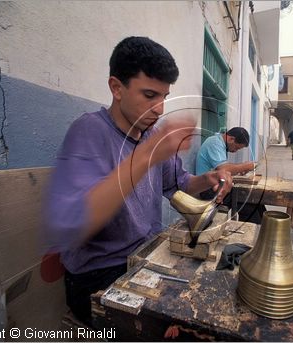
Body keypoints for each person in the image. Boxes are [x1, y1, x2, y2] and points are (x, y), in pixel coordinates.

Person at [42, 36, 232, 325]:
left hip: (145, 256)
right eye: (149, 95)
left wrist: (209, 178)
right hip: (100, 272)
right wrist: (146, 156)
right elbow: (74, 224)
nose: (159, 108)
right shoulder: (89, 131)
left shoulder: (153, 135)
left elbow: (178, 184)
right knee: (175, 326)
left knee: (216, 295)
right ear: (116, 88)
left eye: (164, 97)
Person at [195, 127, 264, 224]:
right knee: (247, 200)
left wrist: (239, 170)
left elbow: (222, 169)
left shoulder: (219, 143)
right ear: (230, 139)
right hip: (207, 190)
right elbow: (223, 169)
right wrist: (244, 166)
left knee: (256, 199)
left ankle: (264, 227)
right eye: (236, 147)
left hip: (214, 185)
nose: (235, 151)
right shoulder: (214, 143)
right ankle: (253, 230)